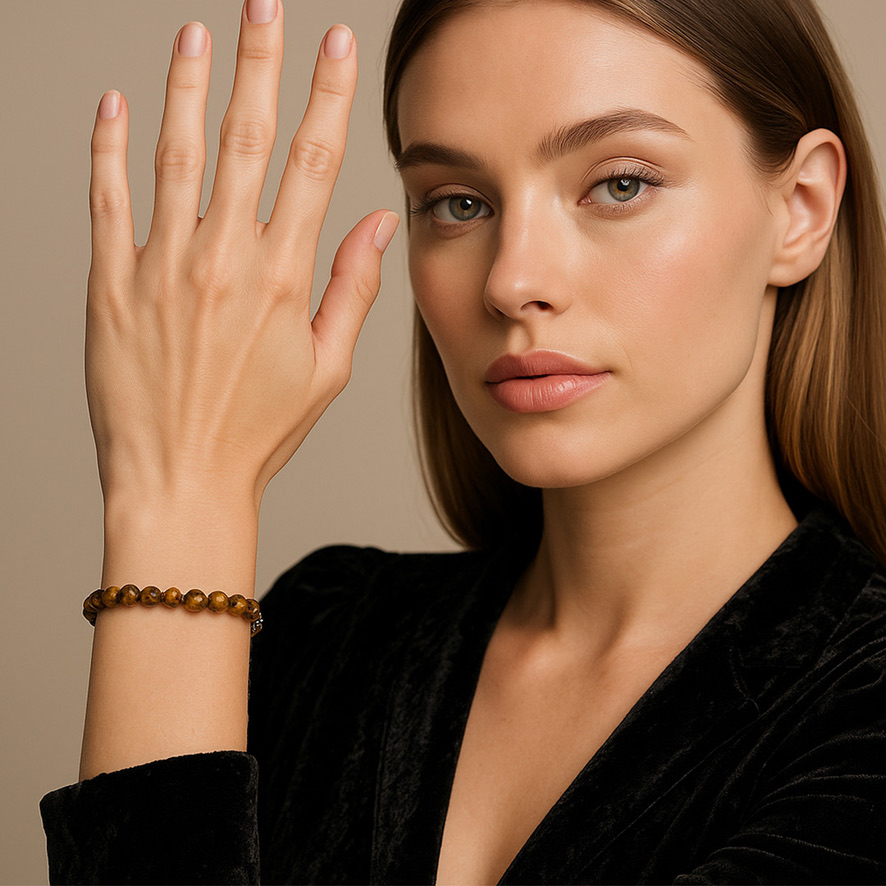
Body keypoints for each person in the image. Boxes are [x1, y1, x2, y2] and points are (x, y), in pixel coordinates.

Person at [40, 0, 886, 882]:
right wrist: (174, 492)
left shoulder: (860, 708)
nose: (513, 280)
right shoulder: (328, 638)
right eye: (458, 202)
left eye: (620, 183)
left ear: (801, 208)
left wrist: (187, 492)